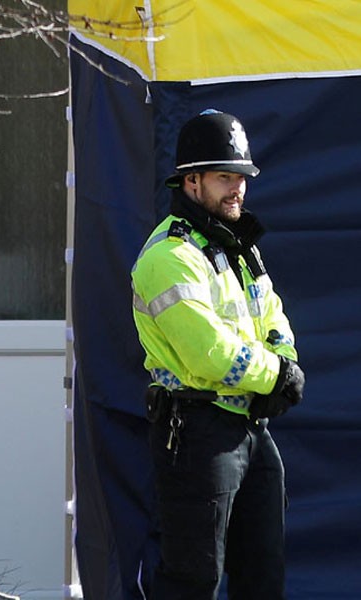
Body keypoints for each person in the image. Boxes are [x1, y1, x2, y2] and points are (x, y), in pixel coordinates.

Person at [130, 109, 306, 600]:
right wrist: (276, 376)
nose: (238, 189)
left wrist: (283, 358)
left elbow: (271, 311)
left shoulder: (237, 245)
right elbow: (209, 353)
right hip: (196, 432)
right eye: (226, 177)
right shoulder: (168, 256)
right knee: (193, 581)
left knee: (263, 577)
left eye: (242, 177)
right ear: (191, 181)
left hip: (250, 428)